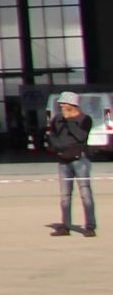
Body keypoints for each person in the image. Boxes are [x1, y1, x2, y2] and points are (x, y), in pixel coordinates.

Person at [43, 91, 96, 238]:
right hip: (63, 161)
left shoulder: (85, 119)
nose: (61, 106)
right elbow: (52, 136)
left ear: (73, 104)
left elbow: (81, 137)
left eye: (64, 103)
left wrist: (69, 121)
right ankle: (65, 226)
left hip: (80, 161)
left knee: (85, 193)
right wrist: (59, 148)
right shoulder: (57, 119)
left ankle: (90, 226)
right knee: (65, 195)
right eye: (61, 103)